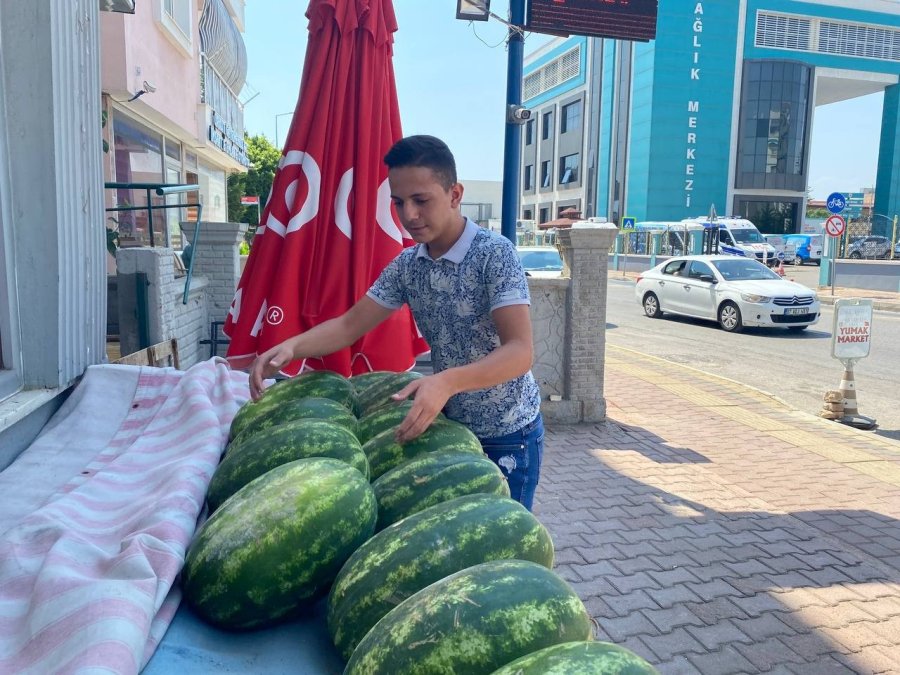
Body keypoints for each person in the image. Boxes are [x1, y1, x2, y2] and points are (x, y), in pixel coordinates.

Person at [248, 135, 544, 510]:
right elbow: (348, 325)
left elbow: (520, 352)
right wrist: (291, 346)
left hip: (508, 431)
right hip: (449, 427)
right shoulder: (408, 265)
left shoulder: (495, 255)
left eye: (421, 200)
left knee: (504, 546)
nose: (409, 215)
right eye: (398, 202)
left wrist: (446, 381)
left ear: (455, 194)